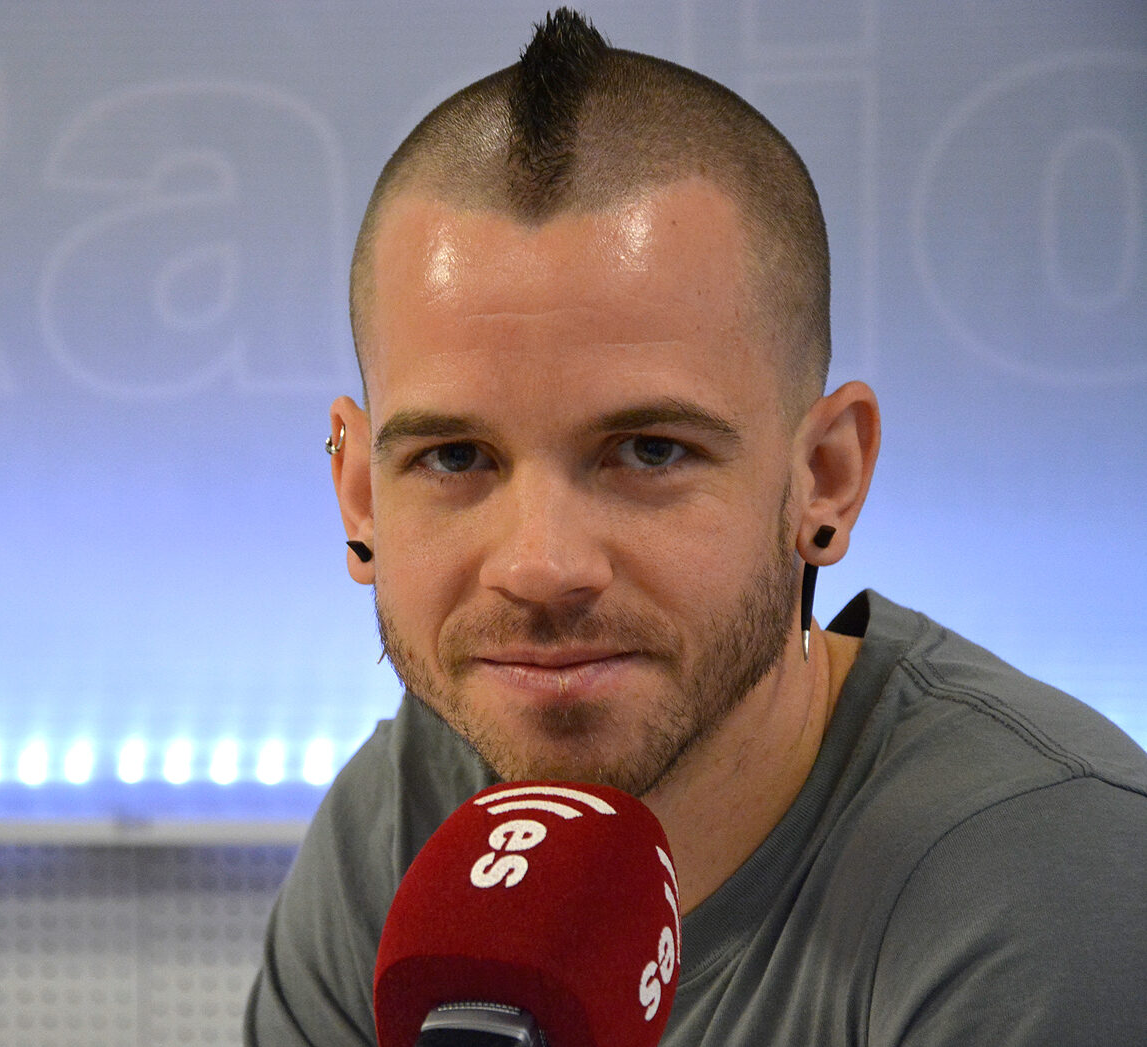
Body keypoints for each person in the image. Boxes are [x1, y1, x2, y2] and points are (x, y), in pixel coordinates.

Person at [245, 9, 1147, 1045]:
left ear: (826, 478)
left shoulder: (1043, 880)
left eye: (649, 451)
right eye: (454, 458)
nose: (541, 565)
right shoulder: (405, 823)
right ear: (360, 494)